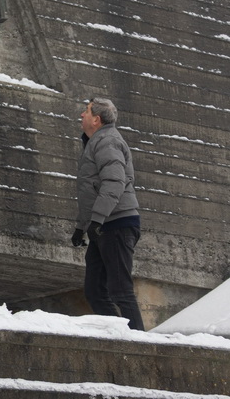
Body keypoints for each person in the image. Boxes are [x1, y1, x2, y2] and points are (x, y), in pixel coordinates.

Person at [71, 97, 145, 331]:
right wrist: (82, 226)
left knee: (120, 290)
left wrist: (96, 220)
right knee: (95, 291)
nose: (82, 115)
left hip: (117, 224)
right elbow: (91, 191)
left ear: (97, 119)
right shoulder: (96, 142)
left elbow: (114, 183)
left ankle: (139, 342)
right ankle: (121, 334)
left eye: (86, 111)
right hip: (104, 224)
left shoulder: (108, 141)